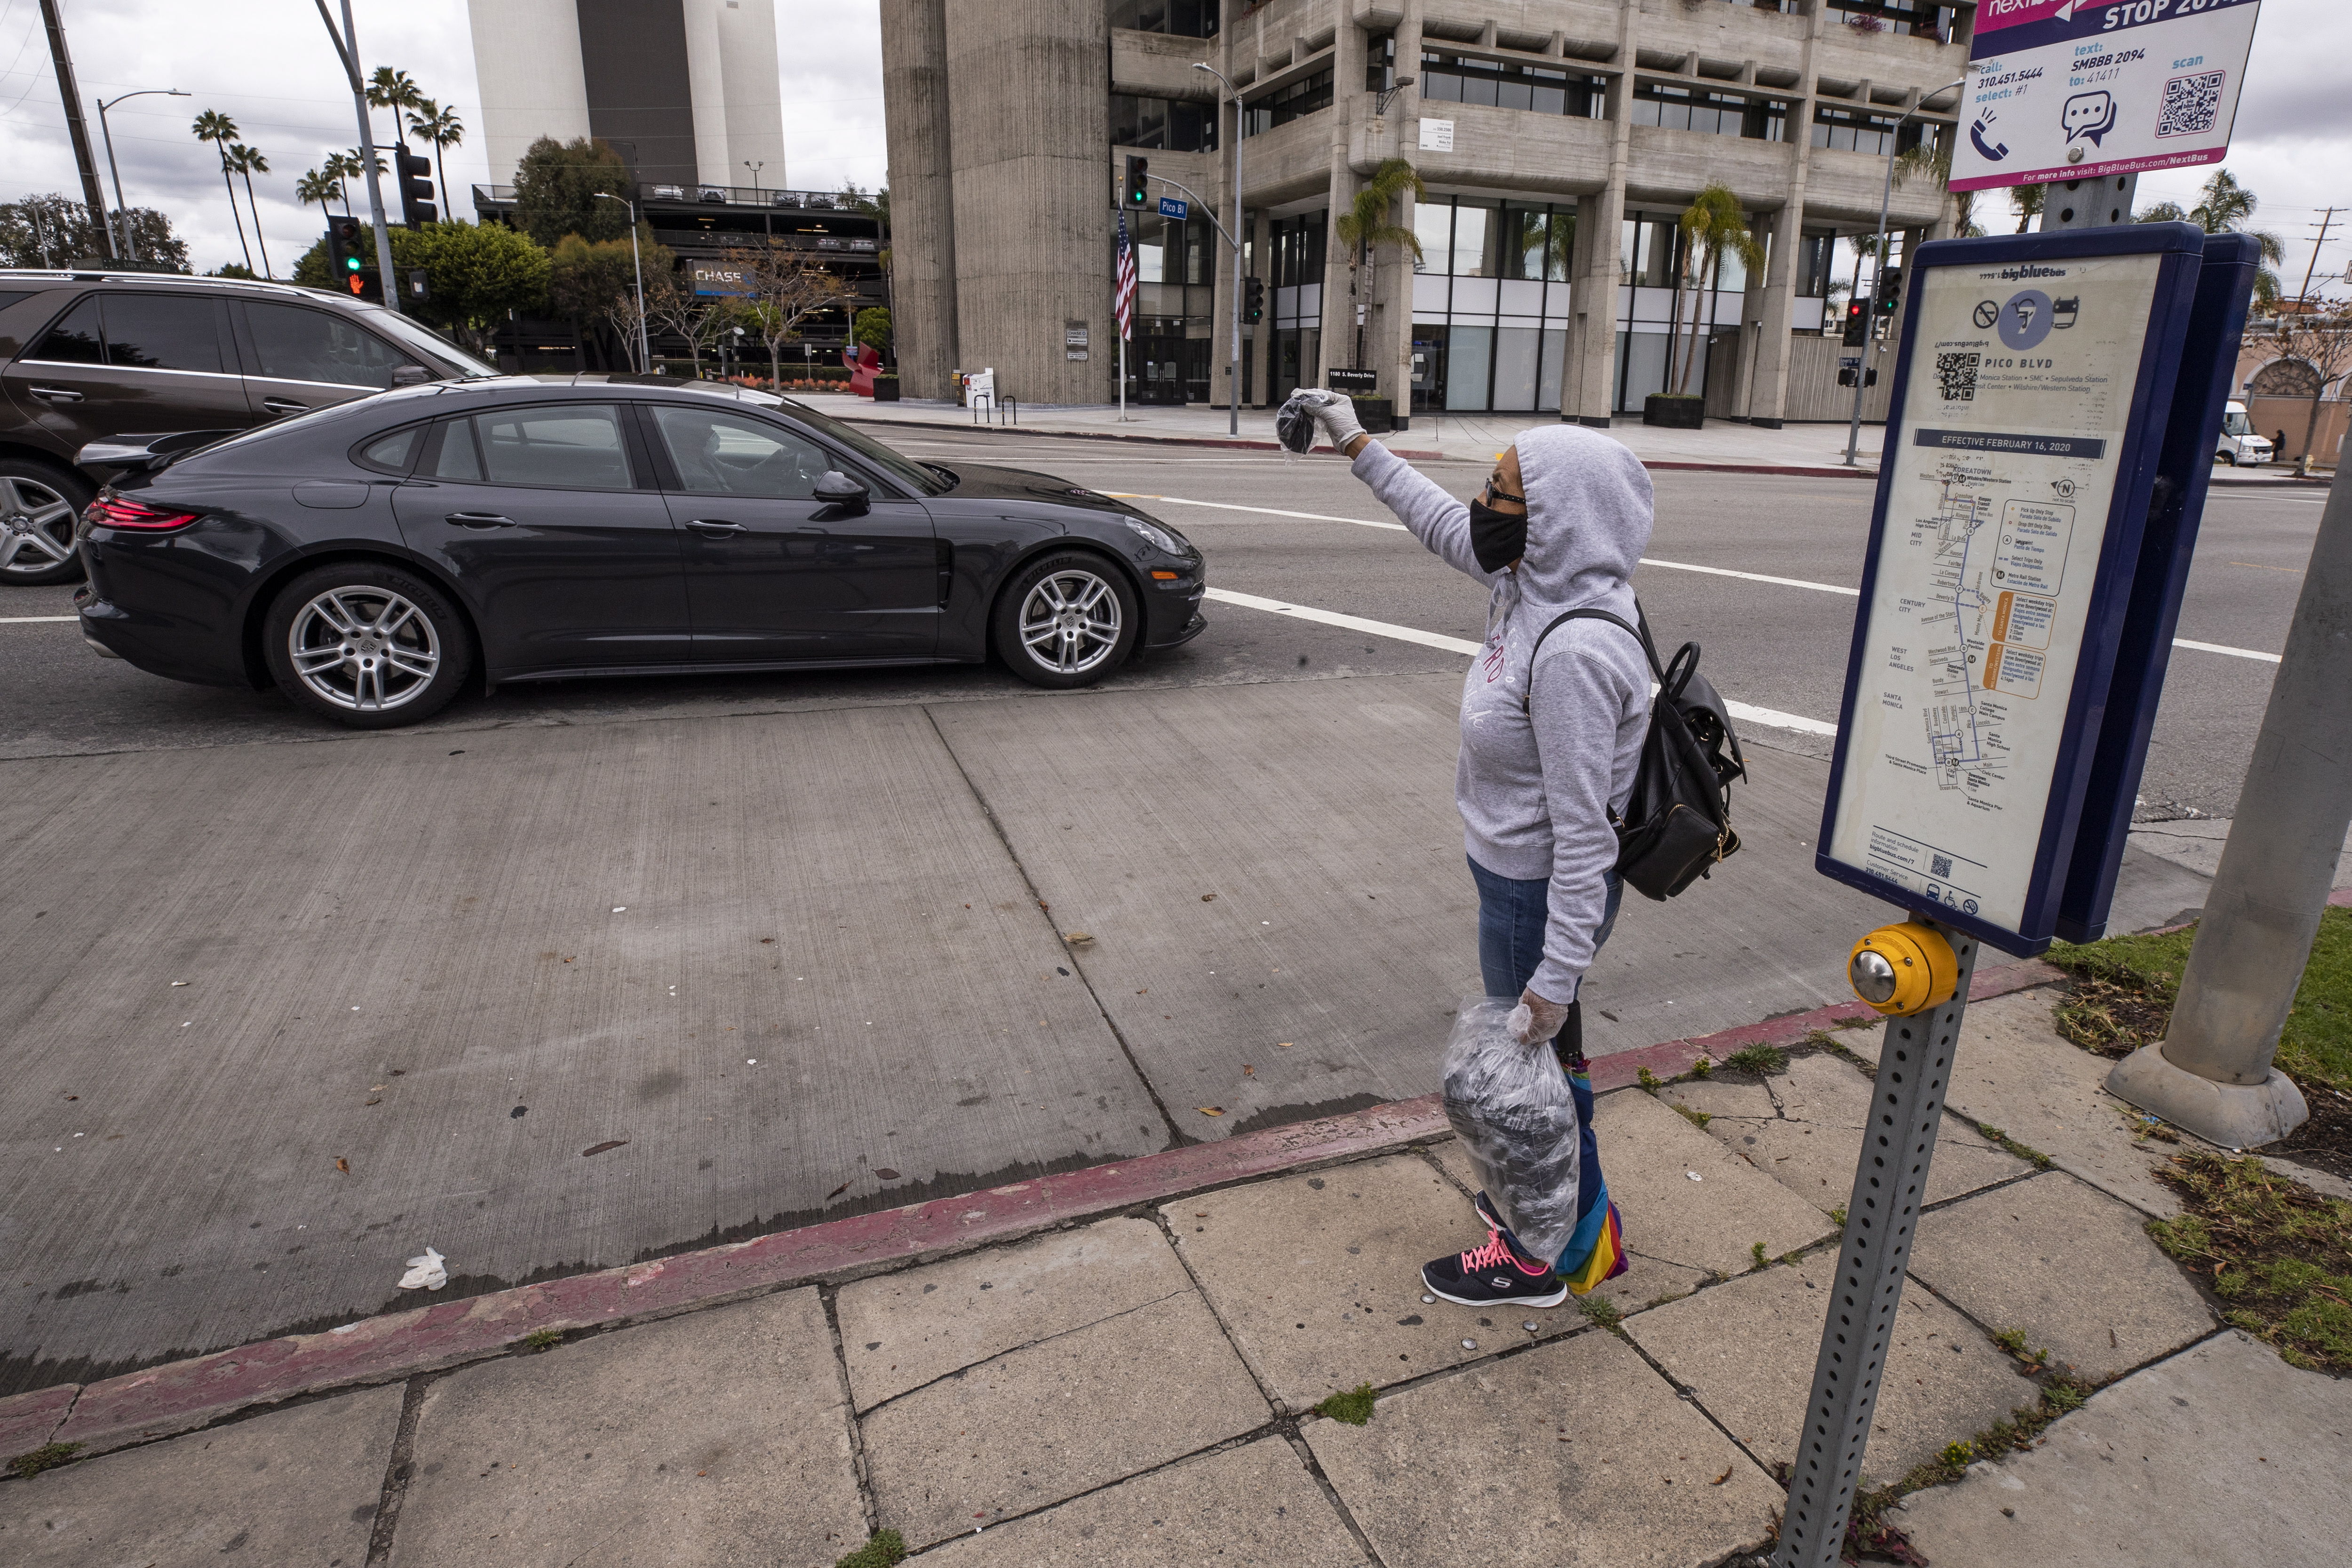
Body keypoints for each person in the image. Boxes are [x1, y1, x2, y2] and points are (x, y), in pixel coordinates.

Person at [1288, 390, 1653, 1309]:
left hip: (1538, 893)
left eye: (1502, 491)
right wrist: (1352, 434)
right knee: (1544, 1067)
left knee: (1533, 1074)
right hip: (1513, 877)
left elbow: (1584, 840)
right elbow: (1438, 518)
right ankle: (1579, 1229)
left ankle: (1543, 1258)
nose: (1483, 503)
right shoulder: (1532, 579)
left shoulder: (1574, 651)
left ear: (1556, 518)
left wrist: (1556, 978)